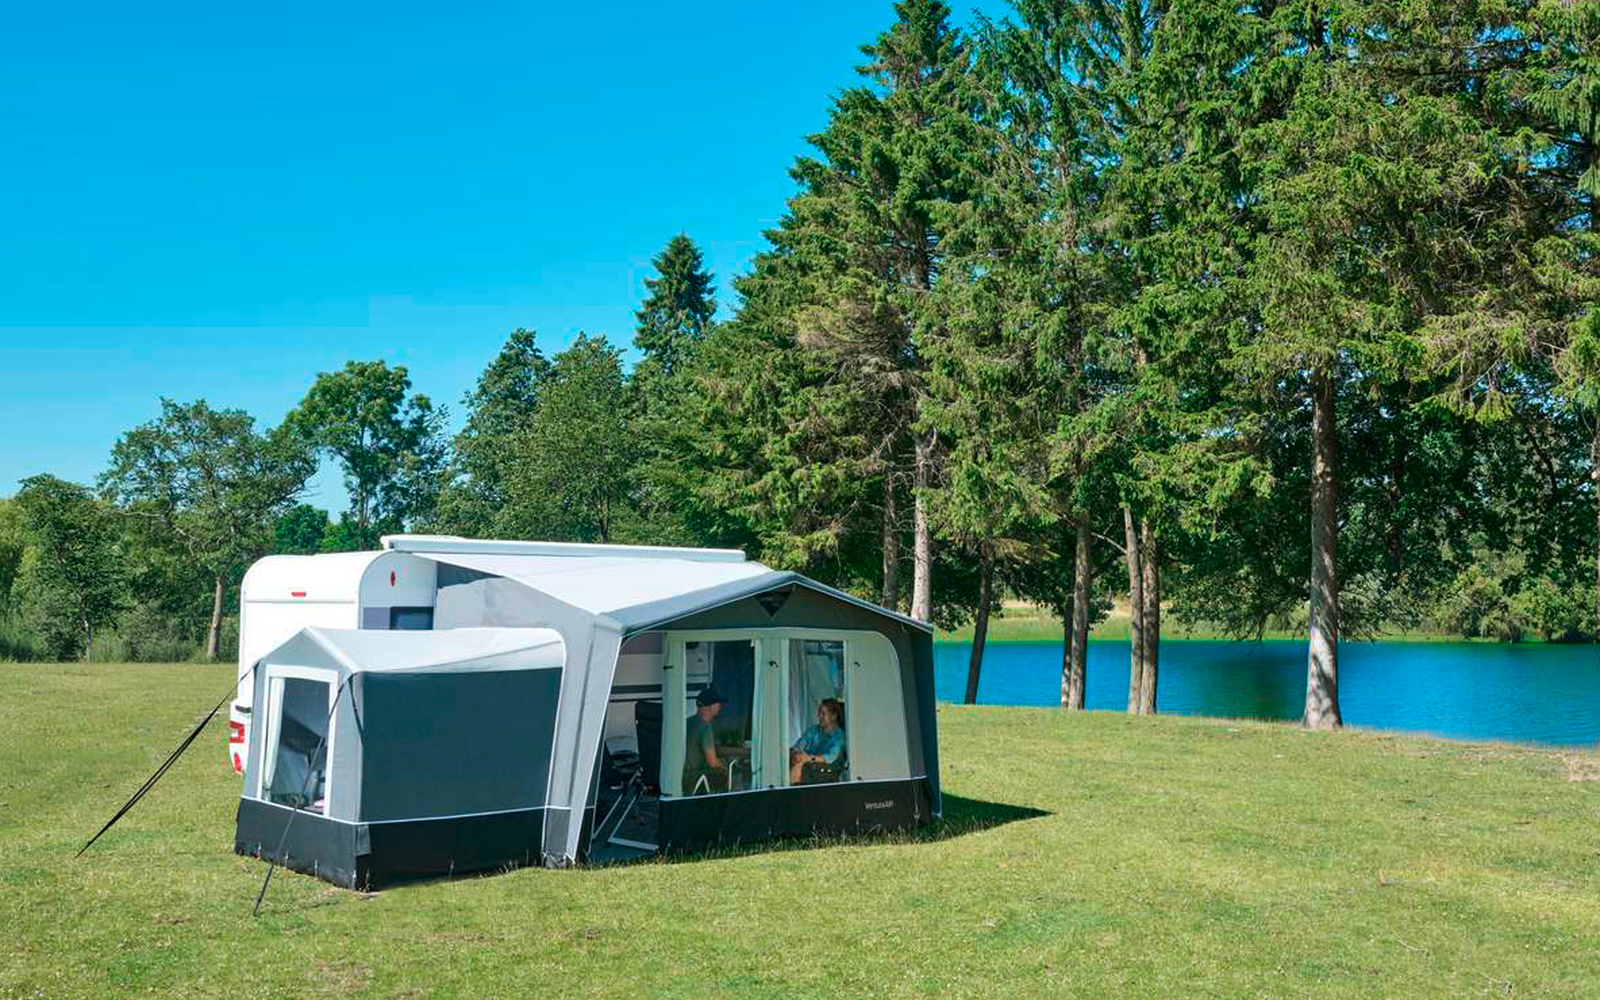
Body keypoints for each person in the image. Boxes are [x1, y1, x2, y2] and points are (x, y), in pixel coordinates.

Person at [789, 697, 845, 785]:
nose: (819, 716)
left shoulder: (839, 737)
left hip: (826, 772)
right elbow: (798, 745)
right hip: (808, 767)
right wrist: (795, 754)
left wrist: (808, 758)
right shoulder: (813, 730)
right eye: (819, 713)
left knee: (798, 765)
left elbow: (830, 757)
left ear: (834, 716)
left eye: (823, 714)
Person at [682, 687, 727, 796]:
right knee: (724, 774)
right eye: (718, 703)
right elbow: (712, 762)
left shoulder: (687, 722)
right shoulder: (705, 727)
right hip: (691, 778)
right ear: (710, 706)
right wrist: (723, 766)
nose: (720, 706)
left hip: (679, 775)